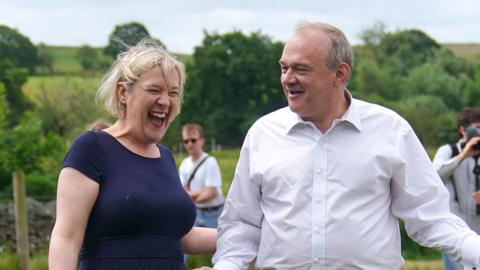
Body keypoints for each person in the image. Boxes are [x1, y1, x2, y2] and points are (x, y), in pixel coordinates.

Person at [212, 22, 480, 270]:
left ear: (339, 73)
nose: (287, 79)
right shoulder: (263, 134)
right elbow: (241, 223)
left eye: (301, 69)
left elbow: (431, 217)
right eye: (284, 68)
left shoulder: (390, 130)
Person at [48, 39, 216, 270]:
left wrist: (249, 236)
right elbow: (66, 237)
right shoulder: (92, 148)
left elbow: (179, 237)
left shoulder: (165, 158)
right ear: (123, 93)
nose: (165, 101)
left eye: (174, 93)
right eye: (154, 90)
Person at [433, 107, 480, 270]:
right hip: (455, 234)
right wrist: (462, 156)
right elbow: (433, 178)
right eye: (477, 128)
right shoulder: (448, 151)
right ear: (463, 130)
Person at [179, 123, 224, 228]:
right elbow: (181, 192)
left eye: (193, 140)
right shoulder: (184, 164)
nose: (189, 144)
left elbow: (210, 193)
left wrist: (189, 196)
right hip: (194, 213)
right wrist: (201, 192)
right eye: (186, 141)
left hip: (213, 214)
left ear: (202, 141)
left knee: (215, 244)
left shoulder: (210, 162)